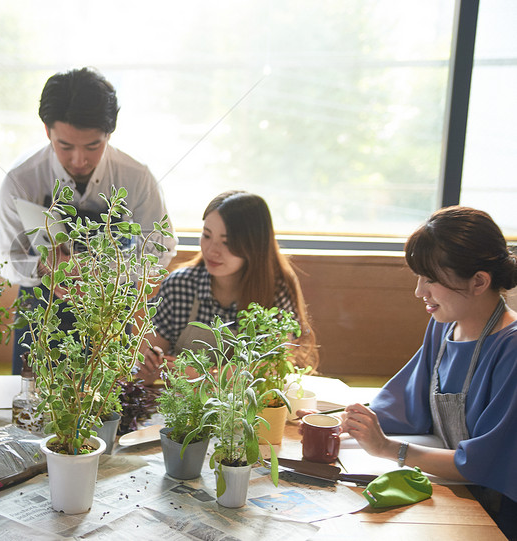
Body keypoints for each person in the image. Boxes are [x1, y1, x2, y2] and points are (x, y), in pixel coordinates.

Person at [340, 206, 517, 537]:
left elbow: (482, 463)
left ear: (479, 281)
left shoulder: (511, 349)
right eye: (419, 278)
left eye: (431, 279)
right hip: (459, 495)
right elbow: (406, 404)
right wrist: (347, 422)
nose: (420, 292)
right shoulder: (444, 328)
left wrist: (388, 449)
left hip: (500, 516)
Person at [0, 67, 177, 374]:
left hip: (109, 319)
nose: (79, 160)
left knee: (109, 405)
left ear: (109, 134)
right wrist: (42, 266)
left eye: (93, 146)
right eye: (65, 146)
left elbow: (162, 248)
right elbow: (3, 259)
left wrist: (113, 270)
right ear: (47, 131)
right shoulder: (21, 178)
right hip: (42, 318)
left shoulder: (137, 177)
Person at [139, 191, 316, 383]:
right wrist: (150, 360)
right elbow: (150, 354)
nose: (212, 250)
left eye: (227, 242)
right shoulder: (180, 285)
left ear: (253, 245)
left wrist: (207, 376)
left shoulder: (276, 290)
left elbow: (273, 364)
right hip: (181, 403)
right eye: (207, 235)